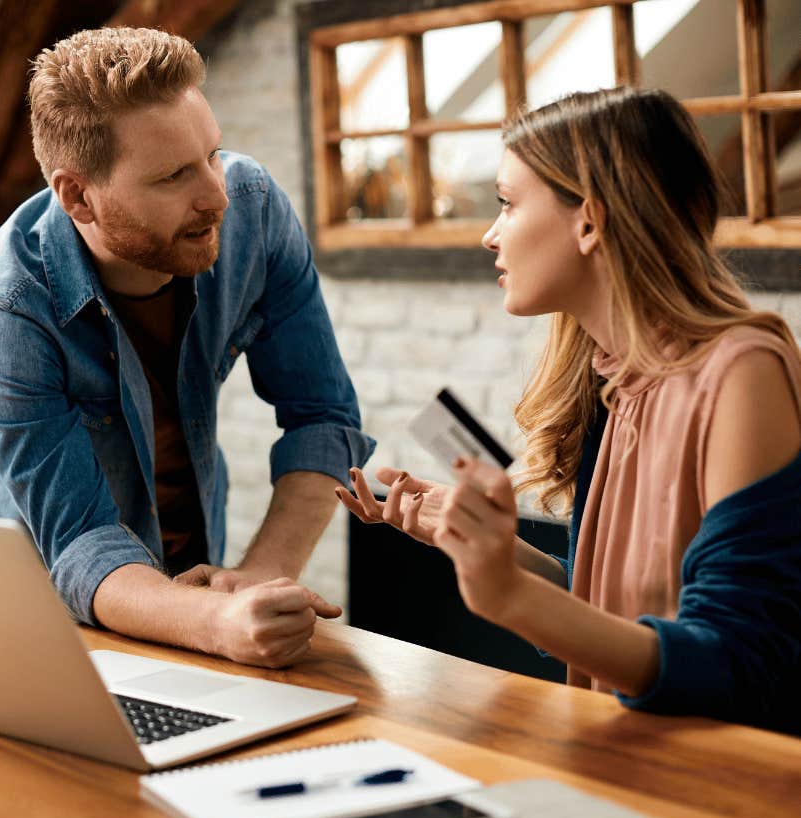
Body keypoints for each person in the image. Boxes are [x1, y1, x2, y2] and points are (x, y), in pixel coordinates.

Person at [338, 86, 801, 734]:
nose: (490, 234)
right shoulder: (608, 377)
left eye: (506, 203)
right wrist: (488, 553)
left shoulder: (742, 374)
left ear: (589, 220)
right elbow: (603, 609)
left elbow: (736, 662)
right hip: (619, 758)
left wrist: (511, 596)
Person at [0, 27, 374, 668]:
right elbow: (77, 539)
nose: (216, 194)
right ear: (78, 197)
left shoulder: (253, 211)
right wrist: (215, 622)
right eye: (175, 175)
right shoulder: (4, 306)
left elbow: (323, 418)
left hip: (190, 589)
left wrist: (257, 577)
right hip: (46, 625)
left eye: (213, 153)